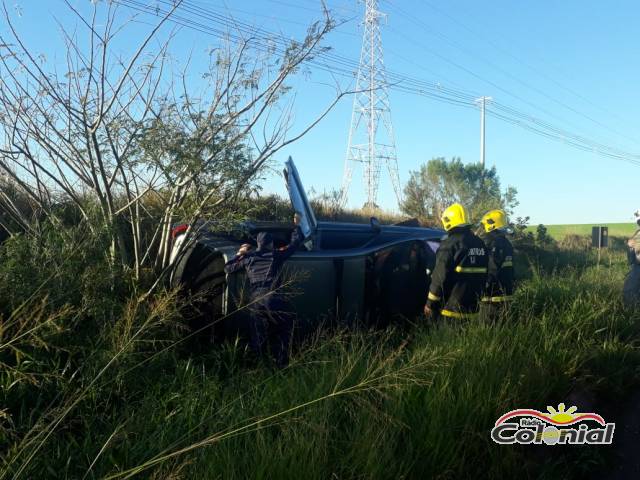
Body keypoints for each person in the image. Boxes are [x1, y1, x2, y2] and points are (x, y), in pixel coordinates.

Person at [224, 214, 303, 367]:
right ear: (271, 244)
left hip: (255, 302)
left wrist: (240, 253)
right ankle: (281, 364)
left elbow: (228, 268)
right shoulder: (276, 255)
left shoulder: (249, 258)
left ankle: (256, 368)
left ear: (258, 244)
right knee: (286, 329)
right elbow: (295, 243)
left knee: (257, 338)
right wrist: (297, 226)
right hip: (274, 299)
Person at [424, 203, 488, 322]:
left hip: (450, 311)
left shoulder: (450, 244)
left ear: (448, 221)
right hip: (473, 310)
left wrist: (430, 304)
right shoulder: (480, 243)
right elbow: (485, 274)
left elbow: (439, 277)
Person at [479, 209, 515, 320]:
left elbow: (493, 267)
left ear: (491, 224)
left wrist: (484, 287)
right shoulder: (506, 242)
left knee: (488, 329)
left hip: (493, 297)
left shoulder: (494, 243)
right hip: (507, 292)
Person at [623, 210, 640, 308]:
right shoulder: (637, 233)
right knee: (631, 290)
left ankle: (631, 310)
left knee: (630, 290)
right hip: (637, 266)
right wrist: (630, 245)